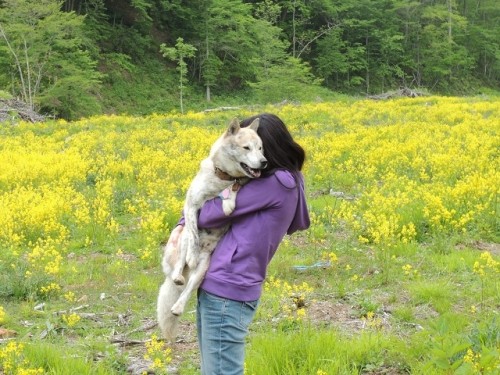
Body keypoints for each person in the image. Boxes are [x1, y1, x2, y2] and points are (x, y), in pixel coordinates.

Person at [167, 113, 310, 374]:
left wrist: (189, 216)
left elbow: (209, 212)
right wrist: (183, 221)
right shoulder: (288, 180)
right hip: (231, 283)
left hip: (227, 286)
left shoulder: (275, 184)